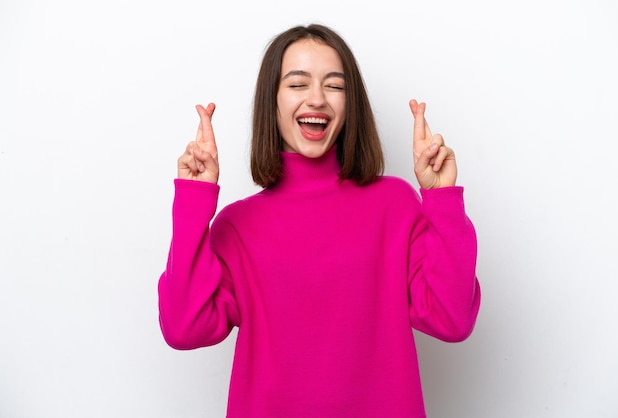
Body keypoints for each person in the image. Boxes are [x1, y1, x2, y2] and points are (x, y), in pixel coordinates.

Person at [158, 23, 481, 418]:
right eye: (297, 84)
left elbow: (452, 319)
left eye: (334, 86)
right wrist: (193, 201)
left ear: (351, 104)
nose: (317, 99)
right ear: (271, 102)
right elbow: (183, 329)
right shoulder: (237, 226)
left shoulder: (395, 205)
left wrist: (441, 197)